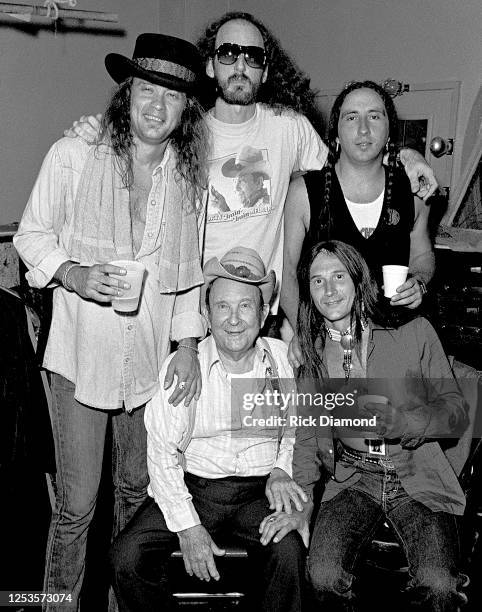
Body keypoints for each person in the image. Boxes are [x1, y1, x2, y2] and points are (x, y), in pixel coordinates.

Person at [65, 13, 438, 315]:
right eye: (228, 53)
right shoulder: (183, 130)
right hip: (195, 311)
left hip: (265, 311)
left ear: (265, 70)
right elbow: (142, 124)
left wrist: (405, 156)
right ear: (210, 66)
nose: (240, 65)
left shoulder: (289, 127)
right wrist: (97, 128)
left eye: (253, 57)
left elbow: (352, 161)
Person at [14, 34, 208, 610]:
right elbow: (29, 236)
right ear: (127, 94)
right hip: (79, 361)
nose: (156, 105)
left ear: (186, 110)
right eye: (147, 88)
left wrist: (190, 346)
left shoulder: (187, 183)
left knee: (134, 496)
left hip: (148, 370)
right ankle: (53, 605)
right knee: (76, 507)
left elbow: (190, 280)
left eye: (171, 96)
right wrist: (71, 274)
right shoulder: (73, 155)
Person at [261, 240, 469, 611]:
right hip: (355, 477)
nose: (329, 290)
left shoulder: (414, 331)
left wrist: (405, 421)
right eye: (317, 281)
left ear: (359, 281)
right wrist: (302, 504)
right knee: (322, 576)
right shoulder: (312, 354)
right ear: (307, 292)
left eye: (339, 276)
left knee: (438, 585)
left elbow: (456, 412)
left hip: (415, 471)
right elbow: (308, 440)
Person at [109, 246, 308, 612]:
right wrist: (187, 527)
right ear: (206, 312)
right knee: (126, 556)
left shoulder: (283, 361)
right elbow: (162, 452)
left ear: (264, 313)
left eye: (246, 306)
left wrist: (282, 467)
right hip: (195, 488)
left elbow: (299, 428)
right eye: (223, 306)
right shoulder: (185, 366)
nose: (234, 319)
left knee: (290, 550)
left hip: (259, 492)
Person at [282, 81, 435, 366]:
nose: (363, 129)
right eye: (351, 117)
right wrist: (303, 333)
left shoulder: (413, 191)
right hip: (326, 341)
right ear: (336, 132)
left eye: (375, 116)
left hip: (395, 341)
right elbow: (287, 273)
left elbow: (423, 255)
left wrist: (420, 283)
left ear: (389, 130)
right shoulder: (304, 193)